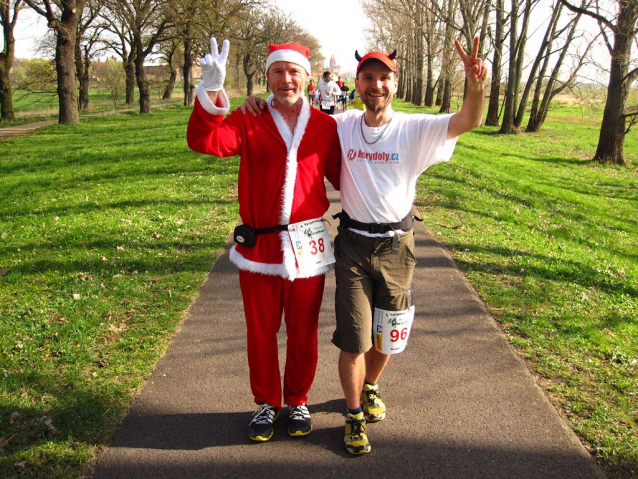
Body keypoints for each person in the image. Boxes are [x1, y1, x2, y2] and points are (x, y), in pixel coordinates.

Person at [240, 37, 487, 455]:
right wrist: (259, 101)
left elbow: (468, 120)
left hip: (398, 246)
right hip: (353, 245)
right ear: (357, 82)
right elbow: (297, 114)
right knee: (355, 338)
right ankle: (353, 414)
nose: (376, 85)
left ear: (395, 83)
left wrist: (475, 83)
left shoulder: (414, 128)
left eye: (384, 78)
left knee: (388, 338)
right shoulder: (342, 123)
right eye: (368, 77)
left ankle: (370, 385)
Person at [187, 37, 341, 443]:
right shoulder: (248, 119)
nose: (285, 79)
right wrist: (211, 91)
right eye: (278, 72)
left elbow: (349, 178)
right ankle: (267, 403)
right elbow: (204, 141)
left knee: (304, 329)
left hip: (308, 245)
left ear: (308, 79)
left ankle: (298, 398)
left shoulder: (326, 127)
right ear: (268, 76)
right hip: (259, 246)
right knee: (261, 329)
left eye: (294, 72)